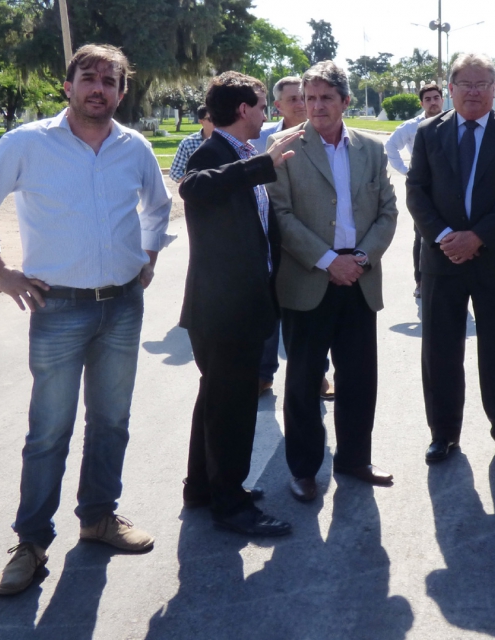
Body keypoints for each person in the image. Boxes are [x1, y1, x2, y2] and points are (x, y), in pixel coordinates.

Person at [0, 44, 172, 596]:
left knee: (112, 420)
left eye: (110, 81)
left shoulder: (135, 147)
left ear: (122, 91)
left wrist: (147, 257)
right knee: (49, 431)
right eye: (88, 78)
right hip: (59, 309)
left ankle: (98, 517)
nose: (99, 88)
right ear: (68, 86)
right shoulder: (27, 143)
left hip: (123, 304)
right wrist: (2, 274)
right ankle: (30, 542)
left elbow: (158, 206)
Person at [265, 61, 399, 502]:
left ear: (345, 101)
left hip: (359, 279)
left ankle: (355, 459)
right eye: (310, 98)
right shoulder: (283, 146)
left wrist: (359, 258)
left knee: (359, 378)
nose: (317, 106)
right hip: (309, 280)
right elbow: (280, 215)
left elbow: (387, 212)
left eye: (326, 98)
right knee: (304, 383)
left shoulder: (371, 149)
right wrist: (327, 261)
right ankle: (304, 470)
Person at [177, 71, 301, 537]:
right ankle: (230, 504)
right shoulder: (212, 151)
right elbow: (194, 187)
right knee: (231, 408)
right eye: (263, 105)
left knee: (216, 399)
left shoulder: (243, 153)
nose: (267, 113)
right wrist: (262, 164)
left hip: (242, 305)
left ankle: (202, 487)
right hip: (223, 309)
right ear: (244, 109)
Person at [405, 53, 495, 467]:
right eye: (466, 84)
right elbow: (416, 191)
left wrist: (477, 237)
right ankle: (443, 434)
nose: (474, 92)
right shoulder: (428, 132)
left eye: (483, 84)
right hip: (441, 260)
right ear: (451, 89)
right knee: (440, 353)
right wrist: (445, 237)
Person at [250, 75, 332, 399]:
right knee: (271, 311)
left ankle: (319, 375)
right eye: (294, 99)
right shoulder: (261, 139)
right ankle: (262, 373)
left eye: (304, 97)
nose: (301, 104)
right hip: (272, 240)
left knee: (314, 311)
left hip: (313, 243)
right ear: (278, 106)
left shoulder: (327, 136)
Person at [385, 83, 446, 298]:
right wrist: (407, 172)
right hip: (422, 190)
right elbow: (390, 146)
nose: (433, 102)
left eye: (436, 98)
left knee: (450, 233)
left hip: (449, 190)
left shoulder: (453, 122)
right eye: (428, 99)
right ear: (421, 103)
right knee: (422, 236)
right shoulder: (411, 127)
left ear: (442, 100)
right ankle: (421, 282)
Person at [168, 105, 213, 182]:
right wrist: (193, 184)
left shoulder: (227, 141)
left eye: (218, 118)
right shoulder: (188, 143)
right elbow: (175, 172)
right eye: (211, 119)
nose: (216, 121)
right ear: (201, 121)